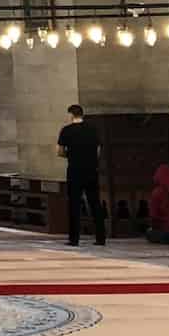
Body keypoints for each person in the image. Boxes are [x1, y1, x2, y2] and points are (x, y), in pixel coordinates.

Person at [57, 105, 108, 246]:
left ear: (71, 115)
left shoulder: (66, 131)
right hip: (91, 170)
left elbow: (60, 152)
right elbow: (98, 150)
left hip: (74, 170)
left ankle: (74, 239)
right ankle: (100, 238)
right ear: (82, 114)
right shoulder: (93, 129)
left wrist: (72, 155)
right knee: (95, 203)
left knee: (74, 204)